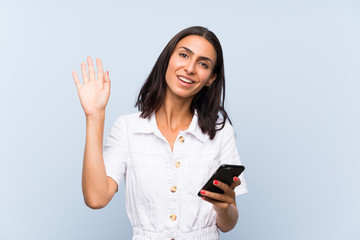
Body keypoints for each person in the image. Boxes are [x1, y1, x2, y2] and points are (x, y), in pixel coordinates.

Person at [72, 26, 247, 240]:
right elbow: (96, 198)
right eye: (184, 55)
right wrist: (94, 116)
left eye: (203, 64)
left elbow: (228, 224)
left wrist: (223, 208)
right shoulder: (127, 129)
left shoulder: (221, 133)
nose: (190, 68)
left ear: (211, 78)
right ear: (167, 59)